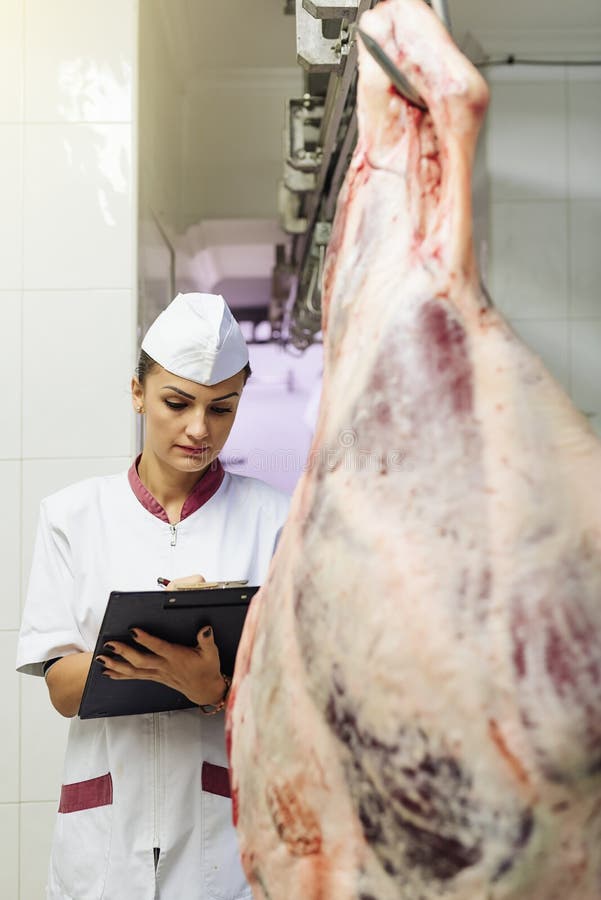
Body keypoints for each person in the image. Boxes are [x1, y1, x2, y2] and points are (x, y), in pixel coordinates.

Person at [16, 292, 290, 900]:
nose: (199, 429)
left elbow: (301, 696)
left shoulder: (277, 520)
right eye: (177, 402)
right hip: (105, 838)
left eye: (223, 408)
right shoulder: (72, 517)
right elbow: (62, 688)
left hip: (224, 839)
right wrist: (166, 657)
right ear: (138, 393)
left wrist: (215, 691)